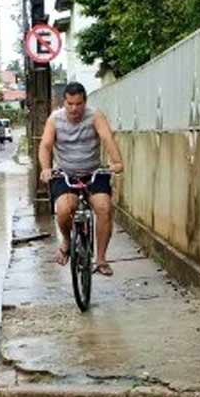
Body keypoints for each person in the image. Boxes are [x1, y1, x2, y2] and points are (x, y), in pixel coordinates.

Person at [38, 82, 126, 276]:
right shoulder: (55, 119)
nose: (74, 109)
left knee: (103, 207)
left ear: (85, 102)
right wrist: (46, 169)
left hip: (93, 172)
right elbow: (45, 145)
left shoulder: (95, 116)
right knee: (63, 209)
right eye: (70, 104)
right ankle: (67, 242)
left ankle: (101, 259)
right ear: (65, 102)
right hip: (65, 174)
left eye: (78, 104)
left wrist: (117, 161)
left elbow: (107, 138)